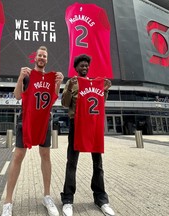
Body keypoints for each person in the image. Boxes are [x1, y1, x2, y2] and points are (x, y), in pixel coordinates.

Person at [1, 46, 64, 216]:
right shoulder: (28, 75)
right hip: (26, 121)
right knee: (18, 156)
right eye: (40, 55)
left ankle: (47, 196)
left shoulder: (52, 77)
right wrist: (20, 77)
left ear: (47, 59)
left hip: (44, 121)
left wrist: (58, 83)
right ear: (35, 58)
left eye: (44, 55)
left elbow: (53, 97)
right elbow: (17, 96)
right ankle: (8, 201)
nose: (42, 57)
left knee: (45, 156)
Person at [60, 54, 115, 216]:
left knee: (97, 163)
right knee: (72, 162)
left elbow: (100, 103)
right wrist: (70, 89)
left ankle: (101, 199)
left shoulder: (96, 83)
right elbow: (64, 103)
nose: (84, 68)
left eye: (86, 65)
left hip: (93, 124)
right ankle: (68, 199)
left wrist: (105, 91)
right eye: (81, 66)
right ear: (76, 68)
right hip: (76, 124)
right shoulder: (72, 83)